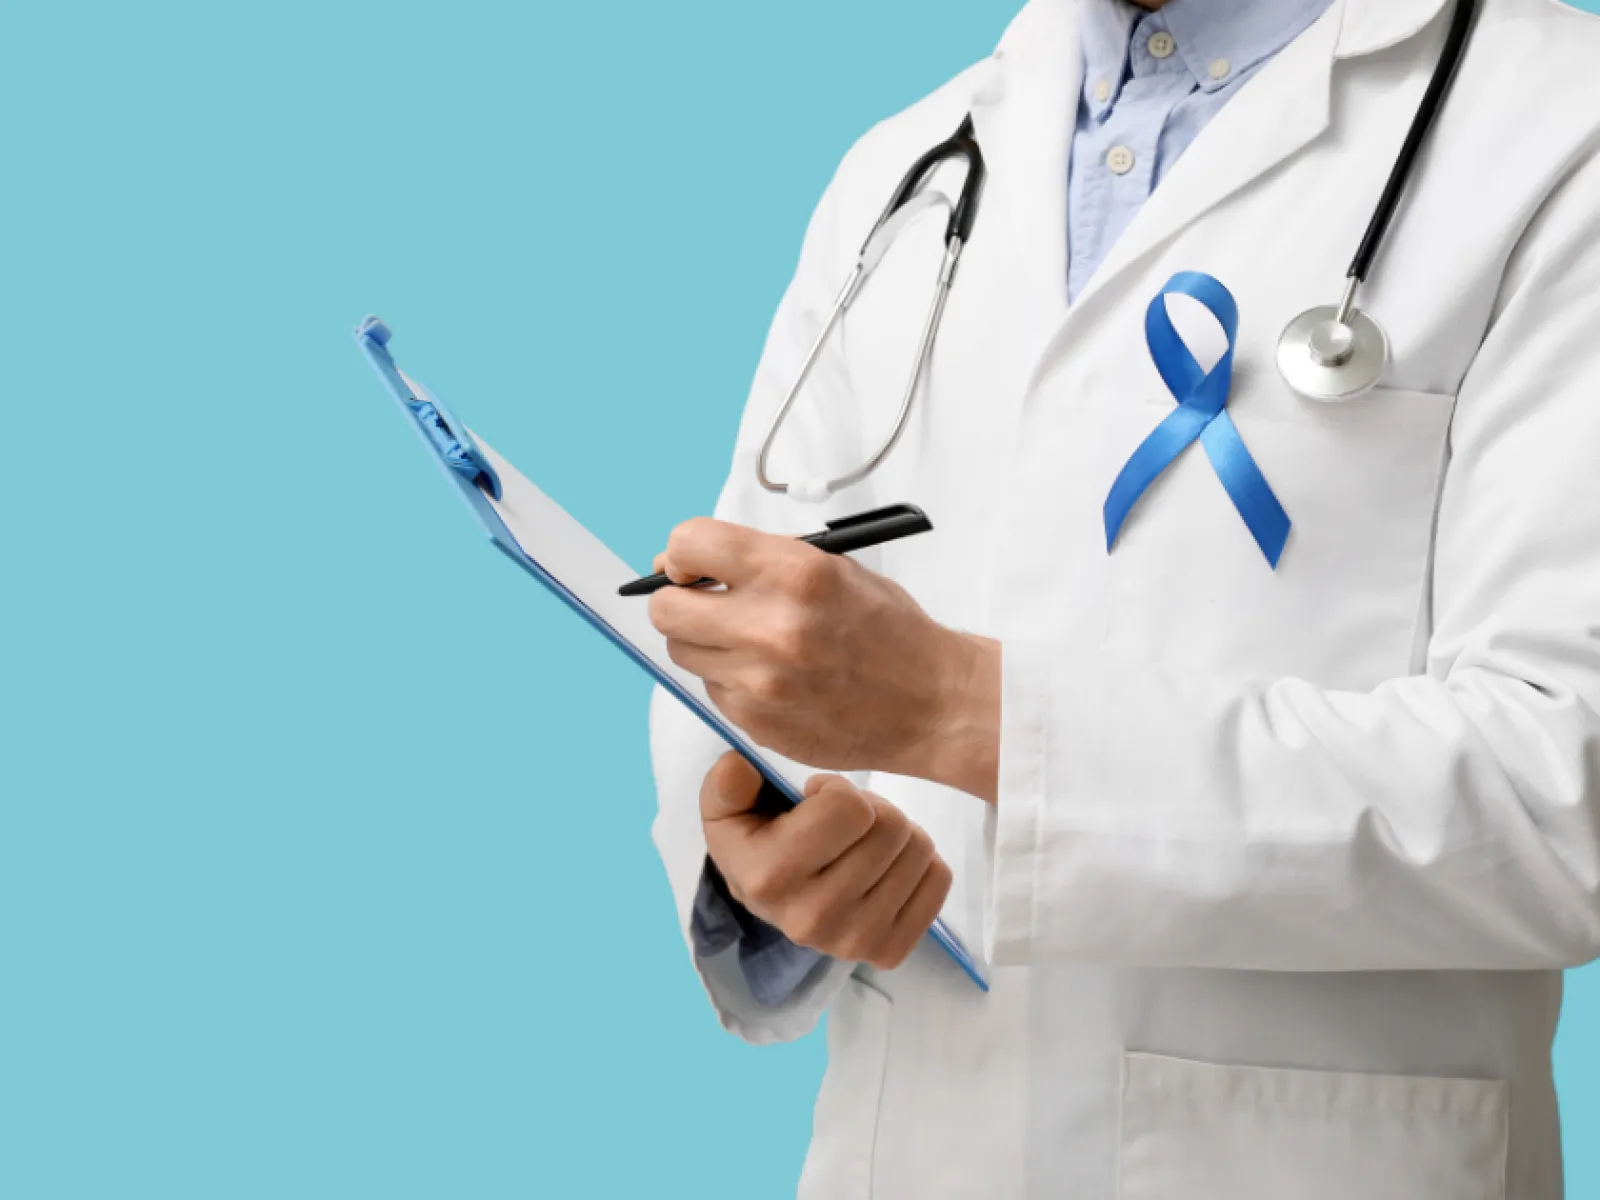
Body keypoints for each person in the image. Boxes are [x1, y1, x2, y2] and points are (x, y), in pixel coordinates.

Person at [645, 0, 1600, 1195]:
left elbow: (1565, 790)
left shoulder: (1563, 128)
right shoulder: (909, 163)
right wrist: (763, 866)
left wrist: (965, 712)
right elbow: (753, 645)